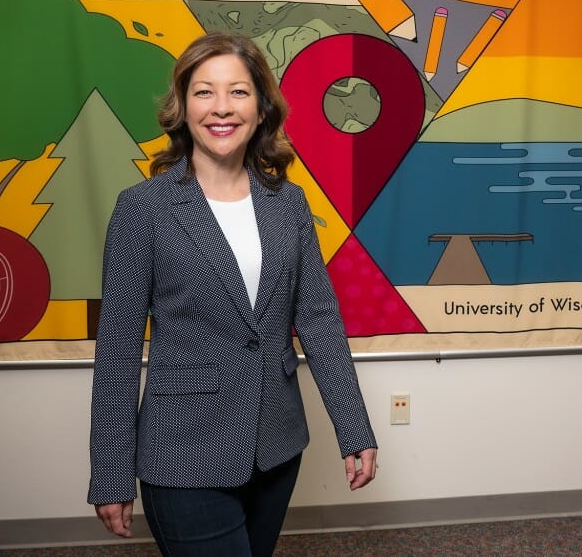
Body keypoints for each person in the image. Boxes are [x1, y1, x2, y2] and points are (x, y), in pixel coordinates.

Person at [88, 32, 378, 555]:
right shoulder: (143, 209)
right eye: (204, 92)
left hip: (276, 444)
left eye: (238, 92)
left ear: (262, 106)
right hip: (183, 452)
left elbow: (317, 318)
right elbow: (117, 348)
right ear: (182, 106)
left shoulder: (287, 203)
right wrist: (110, 472)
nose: (221, 108)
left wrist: (354, 427)